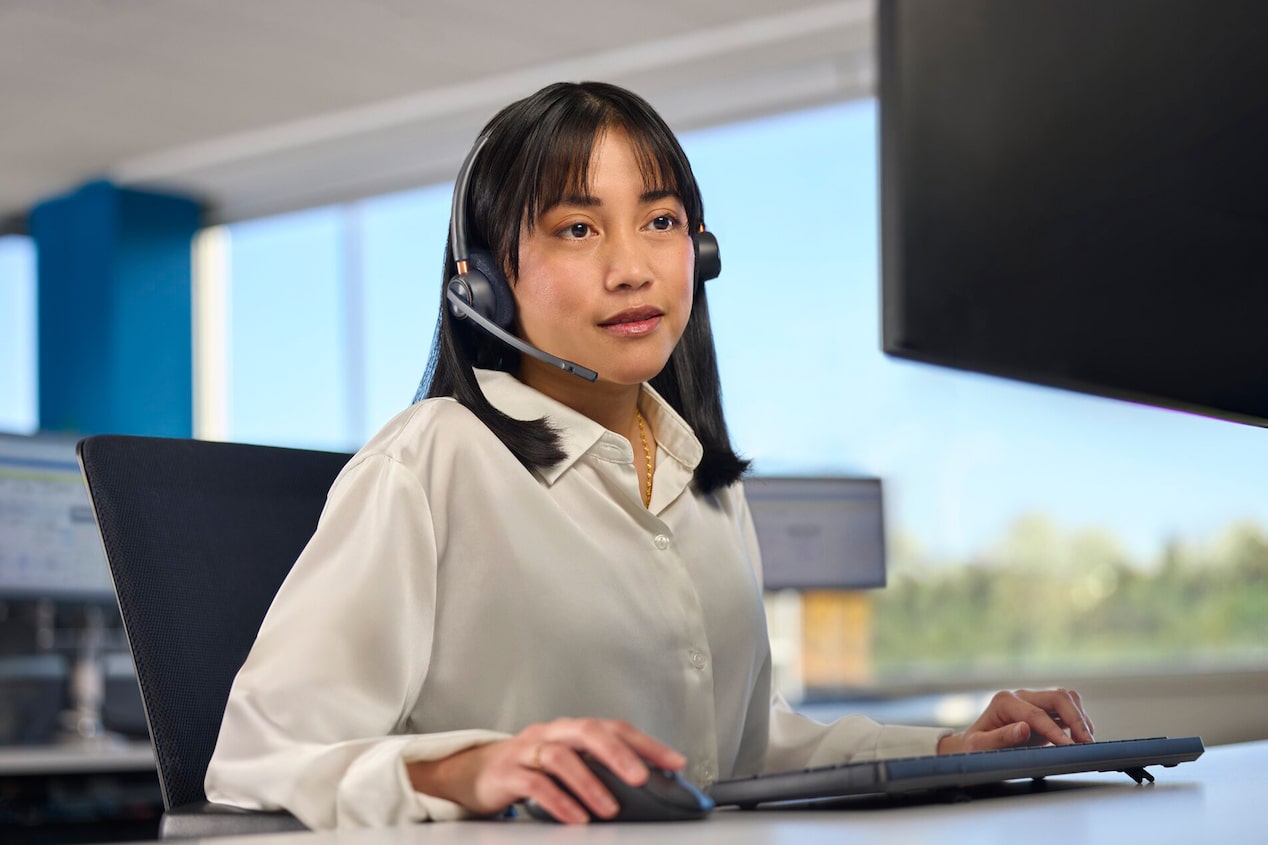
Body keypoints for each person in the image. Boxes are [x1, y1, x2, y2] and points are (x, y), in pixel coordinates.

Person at [204, 81, 1095, 830]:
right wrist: (468, 771)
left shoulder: (702, 483)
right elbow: (259, 757)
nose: (632, 268)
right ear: (483, 280)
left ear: (697, 253)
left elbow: (744, 753)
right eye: (578, 229)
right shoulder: (432, 459)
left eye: (660, 221)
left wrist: (950, 750)